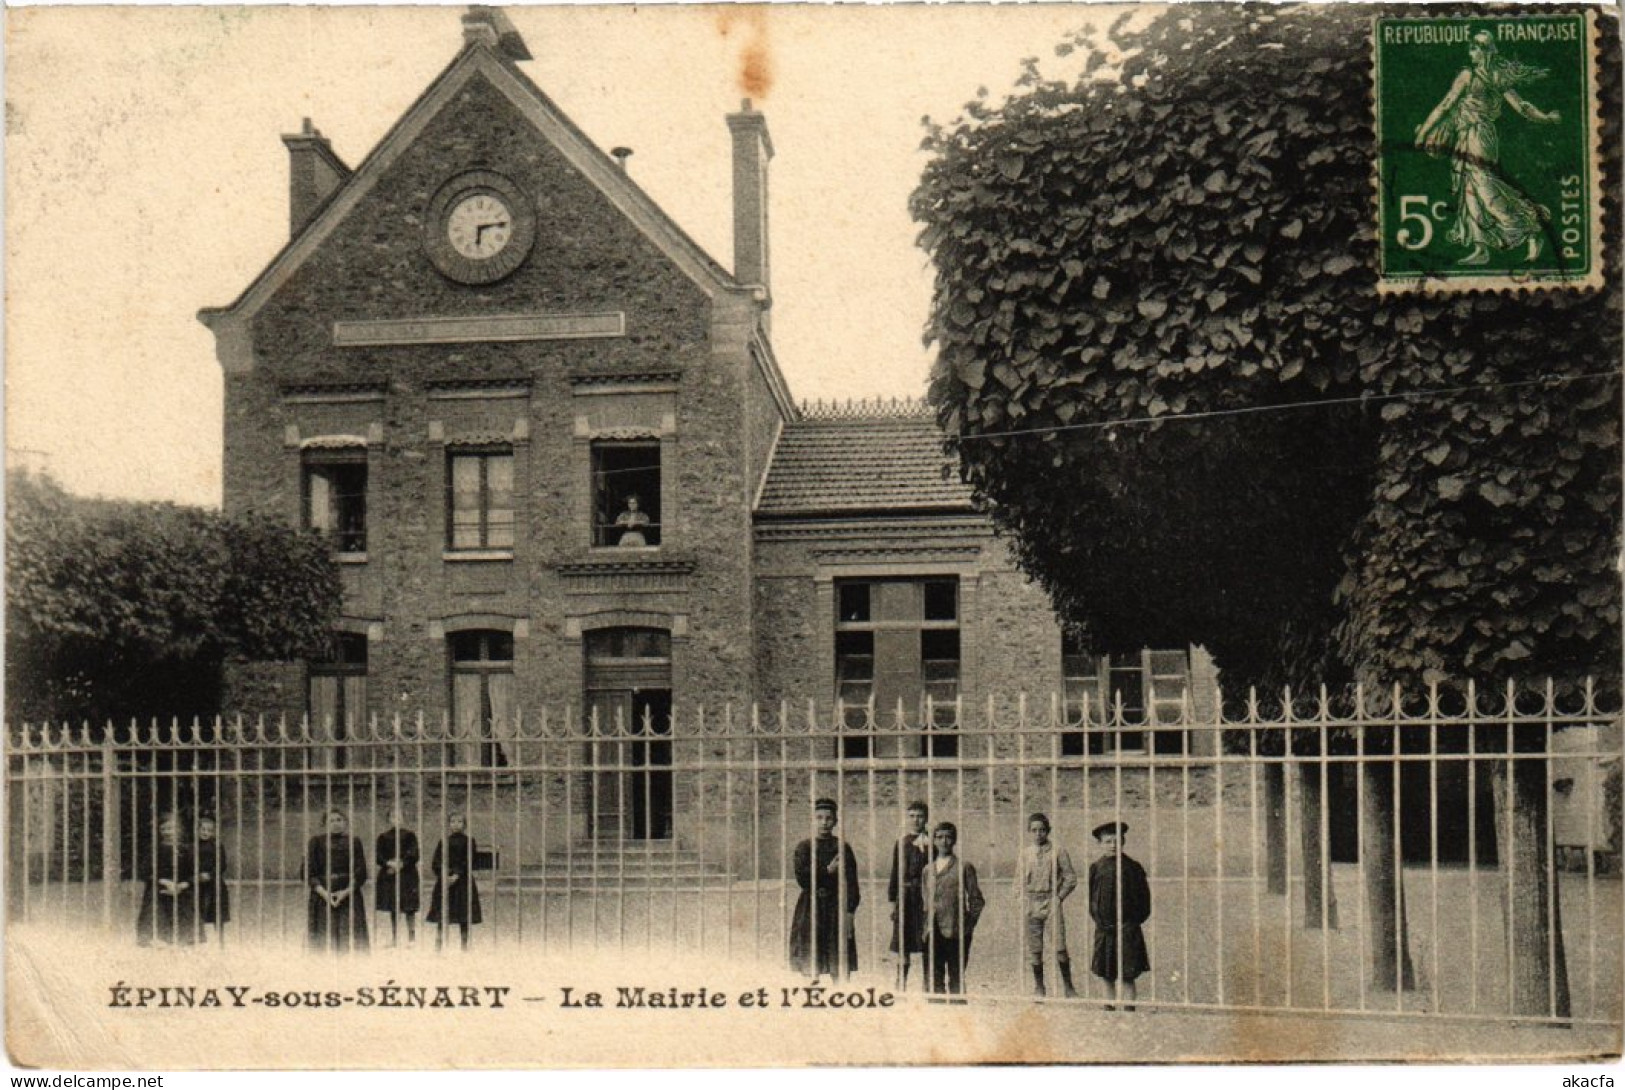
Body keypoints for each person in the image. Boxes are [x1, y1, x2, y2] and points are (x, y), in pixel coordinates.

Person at [1413, 30, 1561, 266]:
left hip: (1480, 135)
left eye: (1475, 47)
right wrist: (1545, 118)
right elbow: (1449, 106)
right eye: (1471, 47)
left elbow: (1446, 105)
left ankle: (1530, 227)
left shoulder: (1480, 76)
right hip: (1466, 134)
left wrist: (1422, 134)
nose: (1471, 52)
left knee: (1483, 183)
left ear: (1485, 51)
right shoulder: (1485, 75)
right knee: (1468, 187)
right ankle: (1481, 248)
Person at [789, 797, 860, 982]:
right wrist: (827, 871)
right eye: (819, 817)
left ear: (835, 820)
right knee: (812, 957)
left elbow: (852, 883)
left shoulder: (842, 847)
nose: (824, 822)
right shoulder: (804, 847)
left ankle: (841, 993)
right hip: (811, 907)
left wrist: (850, 913)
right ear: (813, 820)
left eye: (828, 818)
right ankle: (813, 995)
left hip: (836, 906)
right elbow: (802, 879)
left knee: (839, 956)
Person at [1088, 820, 1151, 1010]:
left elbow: (1144, 899)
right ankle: (1109, 1004)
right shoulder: (1096, 868)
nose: (1113, 845)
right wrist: (1099, 920)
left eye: (1117, 840)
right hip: (1105, 928)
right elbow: (1092, 898)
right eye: (1108, 841)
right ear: (1100, 844)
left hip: (1127, 927)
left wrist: (1132, 922)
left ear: (1123, 842)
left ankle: (1129, 1005)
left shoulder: (1133, 867)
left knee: (1128, 971)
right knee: (1106, 971)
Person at [1018, 812, 1079, 998]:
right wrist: (1021, 899)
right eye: (1034, 830)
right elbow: (1017, 881)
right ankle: (1039, 987)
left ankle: (1068, 988)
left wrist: (1059, 897)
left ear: (1048, 831)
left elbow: (1071, 878)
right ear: (1029, 832)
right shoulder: (1025, 854)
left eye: (1042, 830)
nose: (1038, 834)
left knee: (1060, 947)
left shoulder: (1058, 851)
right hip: (1030, 903)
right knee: (1034, 948)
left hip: (1051, 901)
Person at [920, 821, 984, 997]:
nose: (944, 841)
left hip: (957, 931)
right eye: (939, 837)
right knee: (934, 977)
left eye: (948, 837)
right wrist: (925, 927)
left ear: (954, 840)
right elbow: (925, 899)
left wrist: (968, 925)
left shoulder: (964, 867)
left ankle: (957, 1013)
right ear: (933, 840)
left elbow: (976, 900)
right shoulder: (928, 869)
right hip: (933, 931)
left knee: (956, 977)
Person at [304, 809, 369, 953]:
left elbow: (360, 871)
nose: (336, 823)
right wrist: (325, 894)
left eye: (339, 820)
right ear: (325, 824)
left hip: (349, 894)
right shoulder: (316, 842)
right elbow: (308, 872)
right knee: (323, 939)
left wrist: (345, 892)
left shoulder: (354, 842)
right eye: (331, 820)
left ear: (345, 823)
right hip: (322, 895)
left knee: (350, 938)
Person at [885, 800, 931, 988]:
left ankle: (928, 981)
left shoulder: (931, 841)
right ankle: (901, 980)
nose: (916, 820)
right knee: (903, 940)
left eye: (920, 816)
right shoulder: (901, 843)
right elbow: (895, 872)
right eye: (912, 816)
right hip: (905, 897)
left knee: (927, 938)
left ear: (926, 819)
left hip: (924, 895)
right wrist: (892, 901)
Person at [135, 811, 197, 946]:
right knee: (154, 907)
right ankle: (155, 937)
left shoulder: (187, 850)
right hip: (158, 887)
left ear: (179, 829)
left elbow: (193, 872)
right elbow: (144, 871)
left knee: (185, 911)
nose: (167, 832)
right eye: (163, 829)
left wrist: (182, 885)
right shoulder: (154, 849)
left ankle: (184, 936)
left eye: (170, 828)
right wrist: (163, 882)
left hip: (181, 888)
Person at [426, 811, 483, 950]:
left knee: (464, 913)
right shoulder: (443, 841)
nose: (456, 825)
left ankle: (464, 943)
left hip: (463, 881)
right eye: (453, 821)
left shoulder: (469, 841)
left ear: (464, 825)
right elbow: (437, 860)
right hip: (445, 881)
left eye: (459, 822)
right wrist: (444, 874)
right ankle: (438, 942)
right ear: (448, 824)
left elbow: (469, 860)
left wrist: (457, 874)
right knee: (443, 913)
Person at [375, 812, 421, 947]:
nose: (396, 820)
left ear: (403, 819)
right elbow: (379, 856)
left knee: (409, 907)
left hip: (408, 875)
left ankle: (411, 938)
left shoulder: (410, 836)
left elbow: (414, 854)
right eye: (393, 817)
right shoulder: (383, 837)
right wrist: (389, 864)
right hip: (389, 875)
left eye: (399, 817)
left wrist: (401, 864)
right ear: (389, 819)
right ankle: (395, 938)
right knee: (393, 906)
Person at [194, 813, 230, 944]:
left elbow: (222, 864)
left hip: (214, 883)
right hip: (197, 882)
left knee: (217, 912)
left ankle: (220, 939)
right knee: (198, 911)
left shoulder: (217, 846)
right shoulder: (192, 846)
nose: (205, 832)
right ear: (197, 830)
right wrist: (196, 875)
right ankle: (199, 937)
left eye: (209, 830)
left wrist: (210, 875)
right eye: (203, 829)